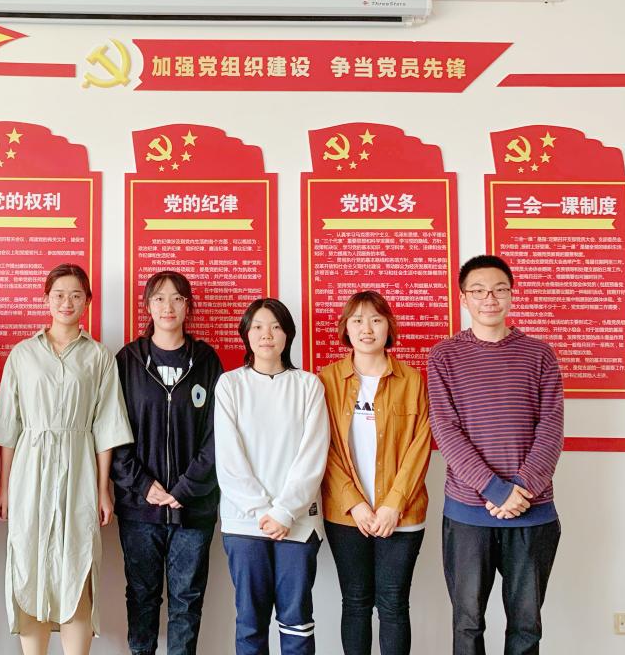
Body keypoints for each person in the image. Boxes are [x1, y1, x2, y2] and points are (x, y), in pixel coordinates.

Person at [0, 263, 133, 655]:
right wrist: (4, 486)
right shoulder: (22, 354)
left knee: (78, 563)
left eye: (75, 295)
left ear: (87, 301)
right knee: (29, 560)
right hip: (29, 468)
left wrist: (103, 489)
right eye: (58, 295)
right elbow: (9, 425)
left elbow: (106, 426)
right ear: (46, 299)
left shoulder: (99, 356)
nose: (66, 302)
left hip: (80, 466)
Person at [428, 255, 564, 655]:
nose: (490, 298)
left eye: (499, 289)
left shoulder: (540, 354)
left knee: (526, 624)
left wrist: (520, 488)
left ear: (511, 294)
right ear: (463, 298)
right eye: (479, 290)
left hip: (532, 511)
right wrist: (495, 489)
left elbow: (551, 427)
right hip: (468, 513)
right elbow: (446, 430)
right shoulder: (444, 356)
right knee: (467, 622)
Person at [112, 271, 224, 655]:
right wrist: (143, 485)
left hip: (193, 506)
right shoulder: (128, 360)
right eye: (159, 298)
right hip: (139, 507)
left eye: (177, 298)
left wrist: (185, 488)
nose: (168, 306)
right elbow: (112, 431)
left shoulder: (206, 361)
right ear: (147, 305)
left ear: (188, 306)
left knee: (187, 601)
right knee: (141, 597)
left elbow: (218, 434)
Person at [214, 298, 329, 655]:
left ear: (288, 335)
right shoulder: (230, 385)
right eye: (259, 327)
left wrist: (284, 512)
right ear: (246, 334)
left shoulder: (309, 385)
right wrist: (264, 511)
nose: (267, 335)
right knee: (250, 623)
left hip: (299, 522)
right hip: (244, 523)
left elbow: (313, 456)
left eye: (276, 327)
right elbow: (229, 459)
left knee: (297, 621)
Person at [319, 291, 431, 655]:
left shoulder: (413, 380)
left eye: (376, 320)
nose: (366, 329)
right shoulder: (327, 380)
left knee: (394, 604)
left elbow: (420, 447)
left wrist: (393, 505)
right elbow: (325, 449)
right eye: (357, 320)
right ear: (345, 328)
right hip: (346, 515)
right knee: (355, 603)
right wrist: (355, 504)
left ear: (389, 327)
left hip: (402, 514)